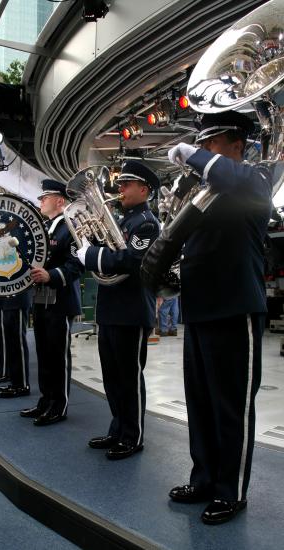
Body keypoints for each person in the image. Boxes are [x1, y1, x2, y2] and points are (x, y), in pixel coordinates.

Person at [166, 111, 272, 524]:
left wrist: (191, 154)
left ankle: (232, 491)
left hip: (234, 308)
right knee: (202, 403)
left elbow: (223, 174)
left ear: (236, 146)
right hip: (200, 308)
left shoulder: (252, 181)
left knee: (231, 407)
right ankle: (205, 478)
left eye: (211, 143)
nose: (204, 151)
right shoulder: (204, 193)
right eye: (202, 144)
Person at [77, 160, 160, 460]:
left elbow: (132, 262)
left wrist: (92, 254)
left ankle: (133, 435)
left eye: (127, 184)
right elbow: (111, 250)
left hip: (131, 309)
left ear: (144, 189)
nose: (120, 189)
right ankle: (117, 428)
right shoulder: (124, 221)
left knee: (128, 376)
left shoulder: (148, 224)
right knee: (112, 376)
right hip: (111, 309)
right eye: (120, 184)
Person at [20, 179, 82, 425]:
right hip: (42, 299)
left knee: (57, 355)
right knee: (44, 354)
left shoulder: (70, 227)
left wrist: (52, 275)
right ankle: (46, 401)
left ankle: (59, 405)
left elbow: (77, 264)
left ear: (60, 200)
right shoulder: (45, 229)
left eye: (45, 197)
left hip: (60, 299)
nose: (41, 201)